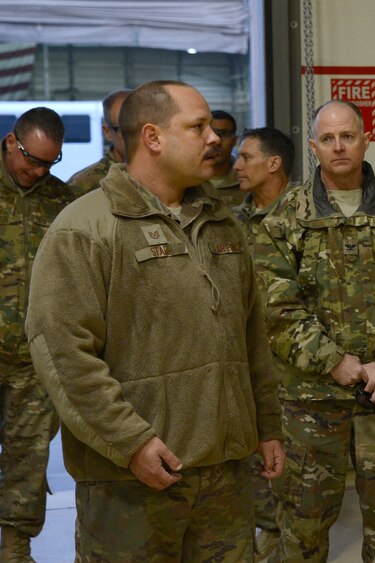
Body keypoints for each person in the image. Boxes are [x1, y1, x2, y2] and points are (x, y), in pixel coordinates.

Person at [25, 80, 285, 561]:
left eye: (212, 127)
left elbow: (251, 338)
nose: (215, 139)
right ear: (152, 137)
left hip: (225, 478)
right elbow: (61, 350)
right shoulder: (87, 227)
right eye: (198, 126)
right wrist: (131, 441)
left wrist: (266, 424)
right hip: (132, 483)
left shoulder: (222, 224)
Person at [254, 99, 375, 562]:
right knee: (301, 532)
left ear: (365, 139)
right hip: (310, 408)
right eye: (327, 138)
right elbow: (275, 305)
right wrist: (332, 360)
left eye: (348, 136)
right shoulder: (285, 217)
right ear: (314, 146)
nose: (339, 147)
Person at [0, 107, 77, 561]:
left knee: (28, 457)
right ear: (12, 142)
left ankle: (14, 545)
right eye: (31, 159)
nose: (38, 171)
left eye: (50, 162)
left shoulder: (60, 200)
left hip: (32, 357)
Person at [231, 126, 295, 560]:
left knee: (297, 474)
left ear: (273, 164)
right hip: (249, 366)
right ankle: (267, 539)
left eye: (246, 157)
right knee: (255, 466)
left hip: (299, 369)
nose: (236, 166)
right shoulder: (231, 222)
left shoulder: (307, 215)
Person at [67, 88, 132, 194]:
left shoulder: (161, 176)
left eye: (140, 128)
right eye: (124, 130)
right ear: (108, 132)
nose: (135, 136)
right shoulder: (84, 185)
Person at [207, 109, 243, 206]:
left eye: (224, 134)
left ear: (234, 140)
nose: (218, 141)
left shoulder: (246, 178)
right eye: (213, 133)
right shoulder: (190, 179)